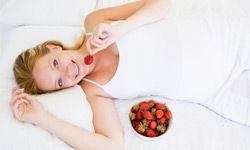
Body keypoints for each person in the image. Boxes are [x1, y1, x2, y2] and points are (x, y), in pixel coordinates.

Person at [10, 0, 170, 150]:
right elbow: (112, 146)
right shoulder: (94, 91)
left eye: (56, 64)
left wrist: (120, 30)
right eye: (59, 82)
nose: (68, 72)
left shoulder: (94, 22)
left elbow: (162, 4)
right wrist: (43, 118)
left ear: (54, 48)